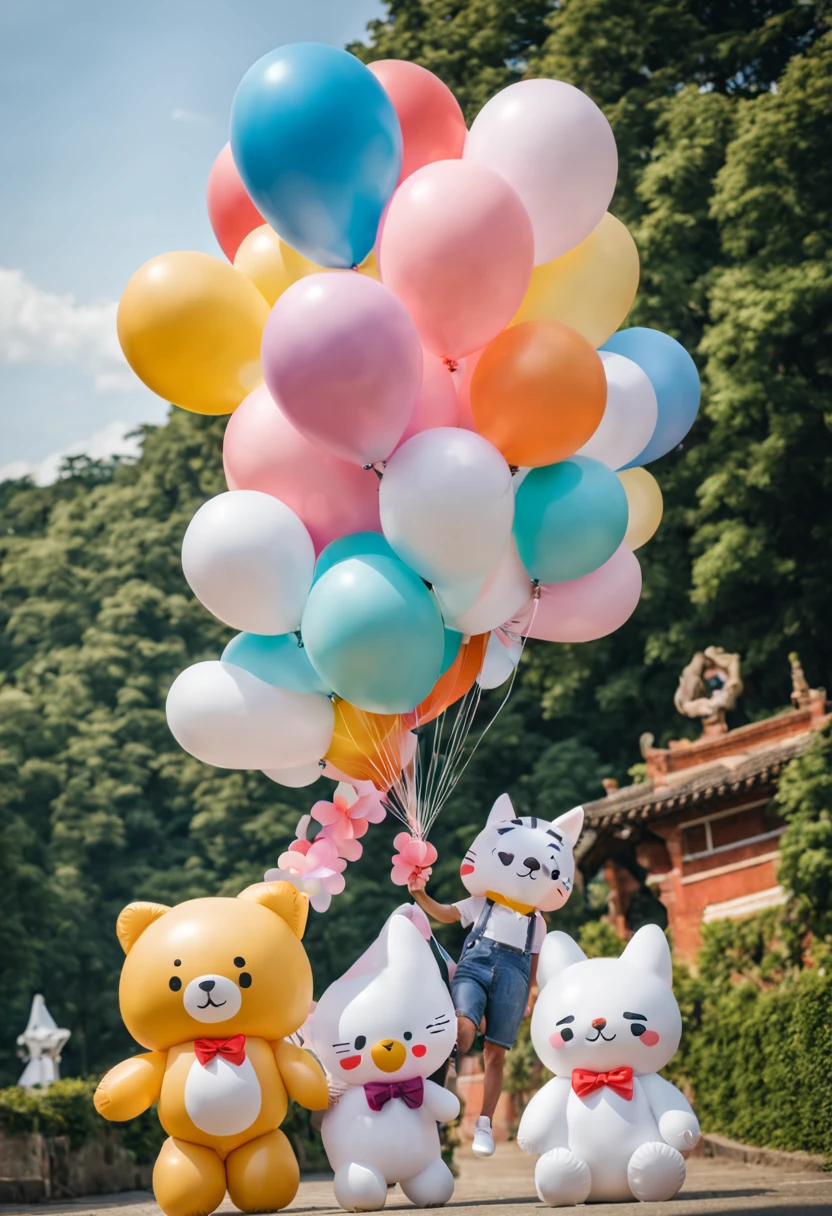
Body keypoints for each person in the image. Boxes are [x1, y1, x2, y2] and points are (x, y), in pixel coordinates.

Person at [407, 871, 543, 1158]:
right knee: (461, 1030)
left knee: (495, 1054)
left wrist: (531, 996)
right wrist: (419, 894)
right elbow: (446, 914)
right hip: (475, 966)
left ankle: (484, 1123)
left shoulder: (537, 922)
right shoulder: (483, 901)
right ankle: (434, 1093)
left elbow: (532, 969)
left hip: (513, 979)